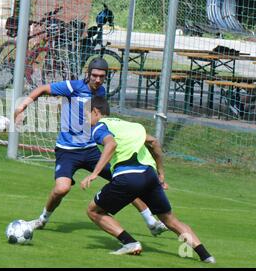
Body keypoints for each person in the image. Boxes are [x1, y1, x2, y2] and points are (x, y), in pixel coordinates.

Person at [14, 57, 168, 235]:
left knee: (124, 179)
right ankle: (42, 219)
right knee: (61, 189)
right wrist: (22, 107)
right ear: (88, 74)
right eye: (94, 75)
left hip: (90, 150)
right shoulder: (73, 87)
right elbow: (42, 89)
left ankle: (152, 223)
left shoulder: (100, 92)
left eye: (102, 76)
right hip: (67, 150)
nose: (97, 79)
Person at [80, 96, 215, 263]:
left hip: (127, 176)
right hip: (149, 175)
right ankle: (206, 256)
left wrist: (95, 173)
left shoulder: (100, 127)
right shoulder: (129, 125)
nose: (86, 120)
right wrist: (161, 173)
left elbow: (111, 144)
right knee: (170, 219)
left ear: (96, 111)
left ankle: (130, 243)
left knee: (93, 211)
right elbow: (154, 142)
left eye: (86, 115)